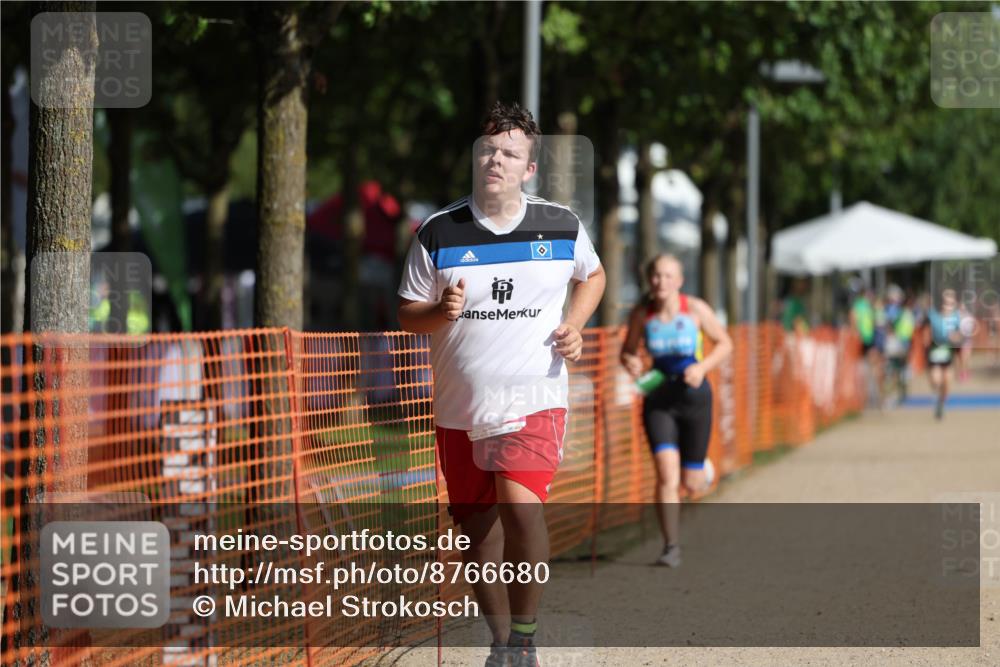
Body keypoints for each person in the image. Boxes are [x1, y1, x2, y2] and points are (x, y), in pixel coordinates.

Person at [397, 101, 605, 667]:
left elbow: (593, 274)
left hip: (535, 397)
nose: (496, 159)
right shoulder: (439, 231)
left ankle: (527, 636)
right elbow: (407, 313)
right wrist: (439, 311)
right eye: (488, 148)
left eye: (510, 152)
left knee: (521, 508)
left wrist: (575, 326)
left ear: (528, 168)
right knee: (478, 537)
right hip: (461, 408)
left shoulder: (560, 225)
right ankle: (500, 643)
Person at [619, 254, 732, 568]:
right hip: (659, 399)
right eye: (656, 276)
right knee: (666, 474)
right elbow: (627, 351)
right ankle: (670, 546)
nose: (661, 282)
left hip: (695, 397)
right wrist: (630, 361)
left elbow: (725, 343)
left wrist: (702, 367)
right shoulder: (643, 314)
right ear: (649, 279)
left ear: (679, 281)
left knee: (691, 482)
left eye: (668, 276)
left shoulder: (694, 309)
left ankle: (702, 470)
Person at [924, 288, 963, 420]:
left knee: (946, 382)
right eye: (946, 301)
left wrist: (955, 338)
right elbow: (925, 333)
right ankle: (936, 394)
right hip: (934, 351)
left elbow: (960, 337)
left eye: (951, 302)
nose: (947, 305)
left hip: (948, 352)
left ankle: (941, 404)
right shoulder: (932, 315)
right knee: (936, 380)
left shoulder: (956, 317)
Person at [881, 285, 915, 406]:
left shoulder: (898, 312)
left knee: (895, 371)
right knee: (893, 371)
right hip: (896, 346)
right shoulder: (903, 312)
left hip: (898, 346)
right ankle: (895, 393)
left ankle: (897, 392)